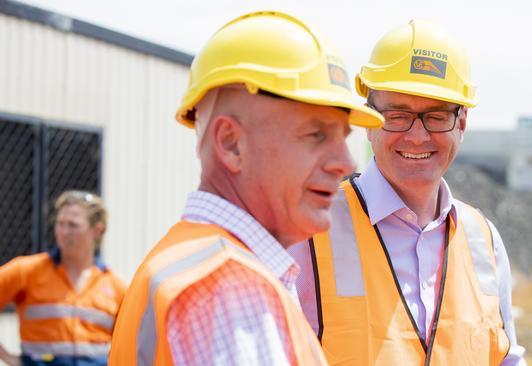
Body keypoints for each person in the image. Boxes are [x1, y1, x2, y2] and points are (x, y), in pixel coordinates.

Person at [108, 10, 383, 366]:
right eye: (316, 135)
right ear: (231, 143)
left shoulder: (189, 260)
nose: (345, 163)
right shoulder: (230, 292)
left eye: (343, 138)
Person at [288, 20, 527, 365]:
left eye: (436, 116)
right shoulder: (307, 230)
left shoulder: (484, 242)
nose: (417, 136)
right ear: (369, 121)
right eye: (397, 115)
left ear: (461, 123)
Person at [0, 190, 126, 366]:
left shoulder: (115, 286)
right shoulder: (27, 271)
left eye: (73, 225)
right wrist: (9, 358)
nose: (63, 232)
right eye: (60, 224)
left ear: (97, 230)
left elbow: (131, 343)